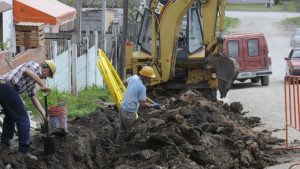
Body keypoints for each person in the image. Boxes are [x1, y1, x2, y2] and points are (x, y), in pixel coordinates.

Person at [0, 60, 56, 160]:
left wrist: (44, 113)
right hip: (7, 87)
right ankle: (24, 150)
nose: (45, 78)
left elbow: (33, 96)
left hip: (4, 88)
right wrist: (42, 84)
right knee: (23, 118)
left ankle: (5, 143)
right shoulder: (35, 65)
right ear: (47, 69)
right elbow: (28, 71)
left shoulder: (32, 80)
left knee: (10, 116)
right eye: (47, 75)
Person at [115, 66, 160, 145]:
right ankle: (127, 149)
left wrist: (129, 91)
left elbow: (124, 82)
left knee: (122, 130)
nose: (150, 80)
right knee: (131, 132)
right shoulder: (142, 88)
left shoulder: (134, 77)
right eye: (149, 78)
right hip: (129, 112)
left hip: (122, 108)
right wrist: (153, 105)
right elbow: (142, 104)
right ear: (144, 77)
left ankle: (117, 146)